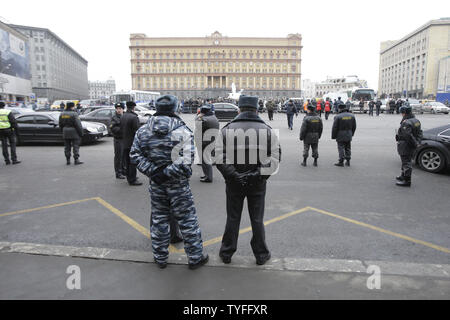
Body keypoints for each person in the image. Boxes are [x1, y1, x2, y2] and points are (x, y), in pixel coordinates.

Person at [130, 94, 208, 269]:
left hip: (156, 184)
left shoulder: (143, 130)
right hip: (178, 185)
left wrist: (154, 172)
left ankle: (160, 257)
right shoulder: (183, 131)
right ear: (175, 108)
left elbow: (135, 155)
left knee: (159, 219)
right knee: (187, 220)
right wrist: (167, 173)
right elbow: (187, 160)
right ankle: (195, 258)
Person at [216, 95, 281, 265]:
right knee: (257, 219)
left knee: (233, 218)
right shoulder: (267, 130)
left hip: (233, 182)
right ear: (257, 109)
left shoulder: (226, 129)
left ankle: (227, 252)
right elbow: (274, 158)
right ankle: (261, 254)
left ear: (239, 109)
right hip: (257, 183)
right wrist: (256, 175)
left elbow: (218, 157)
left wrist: (234, 175)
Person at [395, 104, 422, 187]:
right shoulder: (416, 120)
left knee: (406, 162)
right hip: (411, 145)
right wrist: (417, 143)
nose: (401, 114)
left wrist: (415, 144)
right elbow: (420, 133)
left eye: (402, 113)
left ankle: (407, 180)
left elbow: (408, 136)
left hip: (406, 145)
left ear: (405, 113)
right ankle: (403, 176)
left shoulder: (406, 122)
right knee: (405, 161)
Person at [195, 104, 219, 183]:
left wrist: (198, 116)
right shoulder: (213, 117)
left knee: (205, 160)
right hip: (211, 141)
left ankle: (208, 177)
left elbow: (197, 125)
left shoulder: (203, 119)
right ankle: (207, 175)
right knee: (206, 159)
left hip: (204, 142)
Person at [121, 101, 142, 186]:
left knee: (127, 161)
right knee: (133, 162)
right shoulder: (134, 117)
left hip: (124, 142)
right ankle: (132, 179)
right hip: (132, 143)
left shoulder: (123, 116)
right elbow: (137, 131)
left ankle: (129, 177)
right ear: (133, 107)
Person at [332, 102, 356, 167]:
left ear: (340, 109)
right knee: (348, 147)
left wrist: (333, 136)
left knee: (341, 147)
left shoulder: (337, 116)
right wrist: (352, 134)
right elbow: (354, 127)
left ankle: (341, 161)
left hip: (340, 134)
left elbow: (335, 127)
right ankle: (348, 161)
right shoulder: (352, 116)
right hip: (349, 134)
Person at [110, 102, 126, 179]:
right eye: (117, 108)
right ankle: (118, 173)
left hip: (125, 139)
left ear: (123, 109)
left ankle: (124, 170)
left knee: (124, 156)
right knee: (118, 157)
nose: (118, 110)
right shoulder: (114, 117)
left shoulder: (125, 116)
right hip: (118, 139)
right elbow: (113, 128)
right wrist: (122, 129)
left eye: (120, 108)